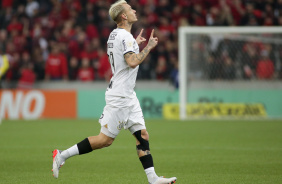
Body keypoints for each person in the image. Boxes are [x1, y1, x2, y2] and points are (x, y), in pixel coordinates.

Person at [52, 1, 177, 184]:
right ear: (124, 16)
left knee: (142, 135)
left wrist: (135, 43)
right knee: (104, 140)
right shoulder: (125, 37)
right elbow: (132, 62)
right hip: (120, 96)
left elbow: (123, 55)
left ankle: (153, 178)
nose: (134, 10)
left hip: (127, 94)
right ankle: (61, 155)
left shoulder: (116, 34)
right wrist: (148, 47)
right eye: (130, 9)